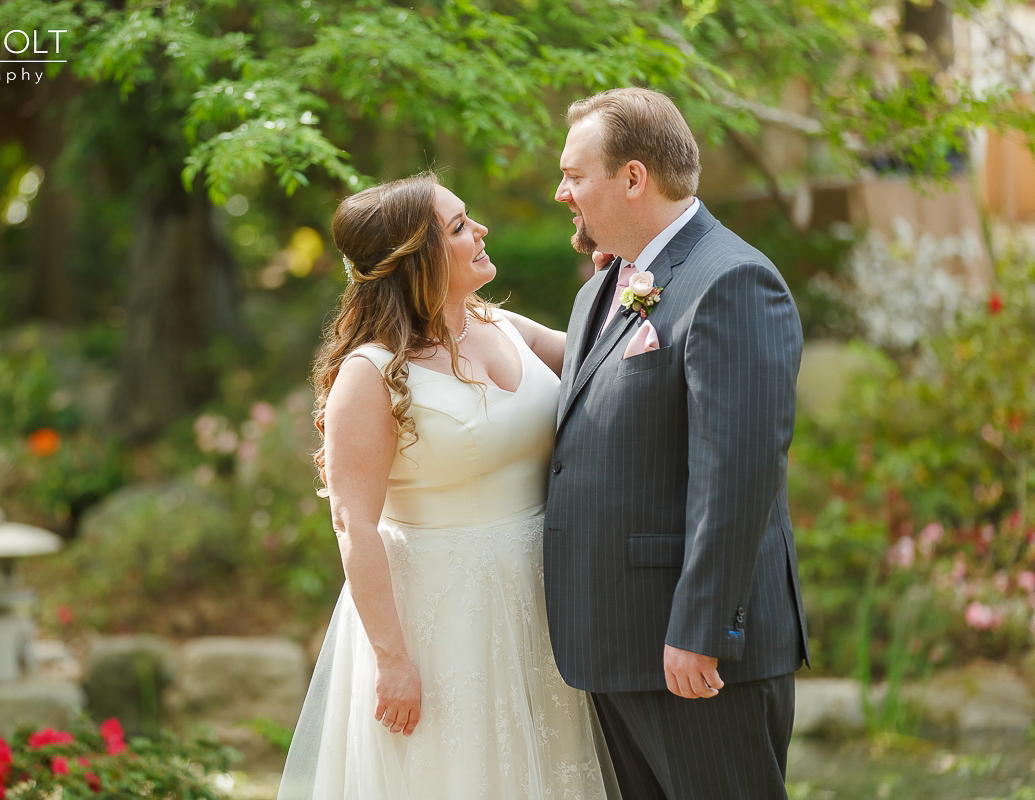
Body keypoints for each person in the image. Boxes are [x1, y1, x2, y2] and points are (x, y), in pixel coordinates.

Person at [277, 172, 616, 800]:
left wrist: (617, 286)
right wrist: (392, 660)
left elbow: (608, 364)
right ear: (416, 258)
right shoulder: (372, 373)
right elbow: (354, 523)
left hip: (540, 599)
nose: (480, 230)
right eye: (458, 226)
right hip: (439, 617)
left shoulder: (505, 325)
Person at [544, 87, 809, 800]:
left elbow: (740, 472)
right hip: (616, 643)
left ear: (633, 179)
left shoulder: (732, 280)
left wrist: (700, 629)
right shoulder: (605, 285)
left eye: (574, 176)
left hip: (688, 651)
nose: (561, 192)